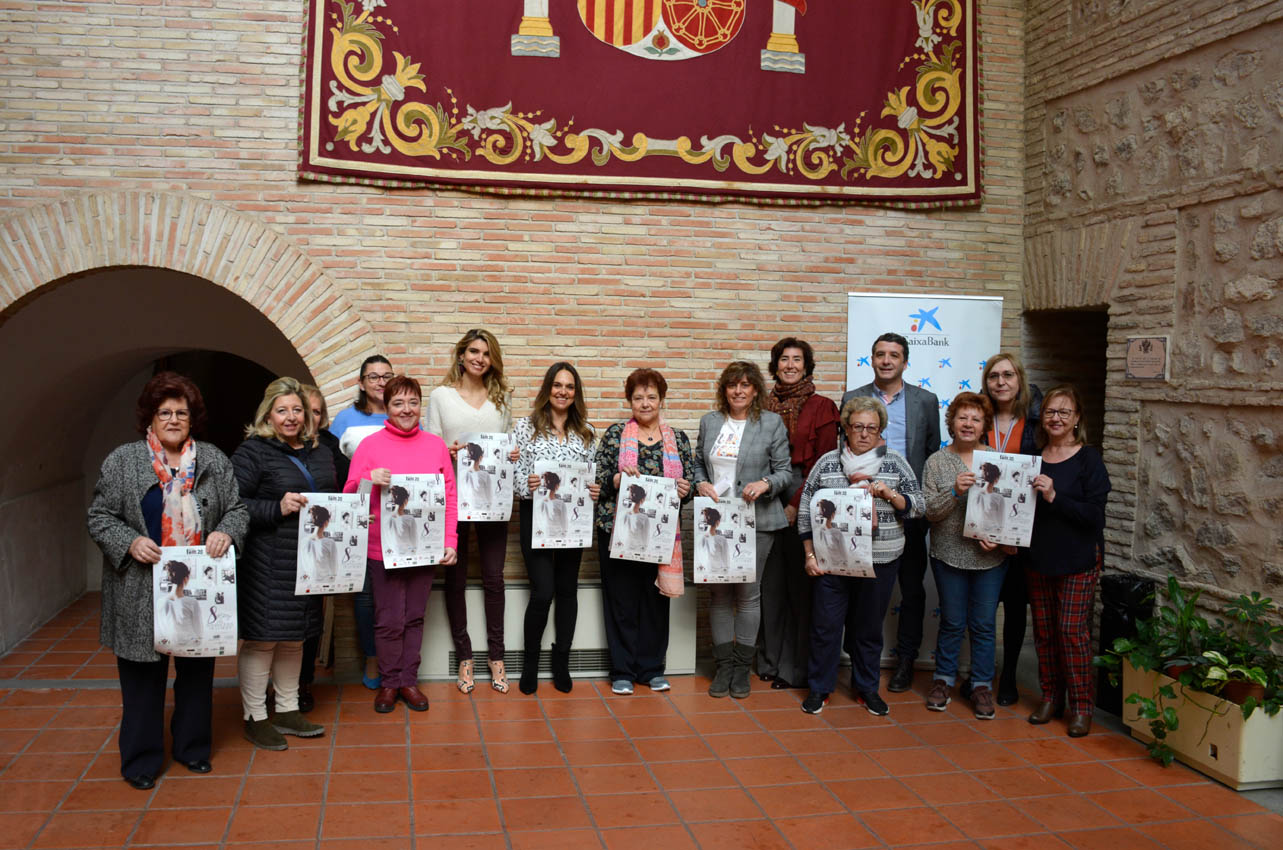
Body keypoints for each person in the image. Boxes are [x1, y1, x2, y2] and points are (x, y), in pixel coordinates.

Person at [87, 372, 247, 789]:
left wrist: (225, 531)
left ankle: (192, 749)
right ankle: (140, 760)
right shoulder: (123, 460)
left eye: (182, 412)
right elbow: (99, 516)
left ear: (192, 419)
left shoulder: (212, 459)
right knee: (143, 678)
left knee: (196, 674)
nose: (174, 419)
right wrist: (130, 541)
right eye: (165, 413)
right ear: (150, 419)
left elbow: (238, 510)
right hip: (140, 588)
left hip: (198, 586)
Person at [798, 396, 924, 716]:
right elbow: (804, 511)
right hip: (831, 561)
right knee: (826, 626)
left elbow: (919, 504)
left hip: (879, 559)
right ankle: (820, 688)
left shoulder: (894, 462)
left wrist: (890, 494)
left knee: (868, 629)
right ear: (846, 428)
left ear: (880, 430)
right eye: (858, 427)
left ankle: (867, 688)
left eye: (872, 427)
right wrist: (810, 554)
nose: (865, 433)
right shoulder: (828, 463)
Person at [231, 377, 334, 750]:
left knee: (295, 638)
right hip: (268, 560)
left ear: (306, 415)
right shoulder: (252, 453)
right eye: (282, 410)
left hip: (310, 560)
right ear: (268, 415)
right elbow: (233, 504)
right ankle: (254, 717)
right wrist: (276, 507)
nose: (290, 417)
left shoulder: (319, 451)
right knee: (263, 639)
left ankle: (288, 709)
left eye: (297, 410)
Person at [346, 375, 458, 713]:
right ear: (386, 407)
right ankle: (389, 682)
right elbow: (349, 498)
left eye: (412, 402)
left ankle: (409, 681)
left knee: (414, 617)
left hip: (424, 547)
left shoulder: (435, 445)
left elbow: (449, 496)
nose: (406, 409)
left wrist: (450, 540)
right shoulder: (370, 446)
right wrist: (368, 481)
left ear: (419, 405)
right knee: (388, 619)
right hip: (383, 549)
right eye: (398, 403)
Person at [841, 332, 939, 693]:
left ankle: (906, 661)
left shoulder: (925, 401)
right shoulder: (853, 398)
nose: (886, 360)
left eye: (894, 355)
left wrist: (913, 502)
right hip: (861, 509)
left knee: (911, 589)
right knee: (857, 587)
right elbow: (844, 453)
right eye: (880, 354)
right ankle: (857, 658)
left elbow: (930, 456)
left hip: (906, 511)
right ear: (871, 359)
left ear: (905, 361)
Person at [692, 361, 792, 699]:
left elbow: (784, 472)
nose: (738, 391)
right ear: (724, 389)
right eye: (733, 385)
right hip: (716, 521)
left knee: (748, 596)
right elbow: (696, 464)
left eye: (746, 385)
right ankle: (723, 668)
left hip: (757, 520)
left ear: (755, 390)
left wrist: (764, 483)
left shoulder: (771, 423)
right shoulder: (710, 422)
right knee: (719, 595)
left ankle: (741, 669)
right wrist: (701, 482)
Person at [595, 368, 693, 696]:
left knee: (654, 600)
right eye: (638, 397)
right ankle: (622, 670)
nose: (645, 403)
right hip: (617, 530)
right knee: (621, 601)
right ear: (630, 401)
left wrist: (684, 488)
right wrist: (616, 479)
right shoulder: (615, 434)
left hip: (660, 533)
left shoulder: (677, 438)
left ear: (662, 400)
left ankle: (651, 668)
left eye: (651, 396)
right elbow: (599, 473)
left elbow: (689, 481)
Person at [425, 329, 513, 694]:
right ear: (461, 355)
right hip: (452, 501)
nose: (479, 358)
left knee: (494, 578)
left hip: (493, 500)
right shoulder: (440, 397)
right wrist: (447, 450)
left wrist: (512, 455)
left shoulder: (503, 398)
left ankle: (497, 656)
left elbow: (507, 444)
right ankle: (465, 655)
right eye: (473, 351)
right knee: (455, 579)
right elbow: (429, 450)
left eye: (487, 353)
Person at [921, 392, 1013, 719]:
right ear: (952, 422)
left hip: (989, 558)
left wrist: (1001, 540)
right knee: (953, 621)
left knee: (984, 624)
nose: (968, 424)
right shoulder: (936, 462)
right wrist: (954, 492)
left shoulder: (1000, 461)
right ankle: (944, 679)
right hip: (948, 555)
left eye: (975, 419)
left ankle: (982, 684)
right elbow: (929, 513)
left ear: (984, 424)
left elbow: (1009, 512)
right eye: (962, 418)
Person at [509, 362, 599, 694]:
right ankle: (530, 664)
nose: (563, 391)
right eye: (558, 385)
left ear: (576, 393)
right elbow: (513, 479)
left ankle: (561, 660)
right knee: (542, 592)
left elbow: (592, 480)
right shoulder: (525, 427)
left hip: (573, 521)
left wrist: (595, 489)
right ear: (548, 389)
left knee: (567, 592)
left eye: (570, 387)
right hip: (536, 518)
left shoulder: (587, 431)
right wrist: (528, 482)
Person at [1026, 385, 1111, 737]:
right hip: (1038, 557)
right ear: (1042, 418)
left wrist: (1054, 496)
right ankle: (1050, 696)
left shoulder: (1088, 459)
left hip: (1078, 559)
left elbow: (1094, 516)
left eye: (1064, 412)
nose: (1056, 418)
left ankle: (1081, 706)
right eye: (1050, 412)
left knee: (1072, 633)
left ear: (1077, 418)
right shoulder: (1031, 457)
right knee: (1044, 633)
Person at [759, 337, 838, 690]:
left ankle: (795, 669)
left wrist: (796, 505)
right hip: (763, 496)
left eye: (797, 360)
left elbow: (824, 465)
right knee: (769, 587)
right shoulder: (761, 405)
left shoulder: (823, 407)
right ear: (775, 365)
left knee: (799, 589)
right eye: (784, 360)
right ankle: (769, 661)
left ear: (807, 366)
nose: (790, 365)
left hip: (804, 498)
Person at [325, 359, 395, 692]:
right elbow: (335, 470)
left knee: (395, 593)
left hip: (397, 520)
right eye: (373, 376)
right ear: (361, 381)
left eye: (386, 376)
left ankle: (396, 658)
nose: (380, 382)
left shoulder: (404, 416)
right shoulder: (345, 420)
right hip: (360, 518)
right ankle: (371, 656)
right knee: (366, 597)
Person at [981, 351, 1042, 705]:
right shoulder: (979, 419)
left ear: (1019, 380)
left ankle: (1008, 678)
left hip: (1022, 529)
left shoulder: (1034, 423)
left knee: (1016, 607)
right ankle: (980, 676)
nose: (1001, 382)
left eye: (1007, 375)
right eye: (993, 376)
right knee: (982, 607)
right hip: (983, 527)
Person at [157, 560, 203, 647]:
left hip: (170, 644)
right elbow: (199, 629)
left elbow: (162, 628)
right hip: (191, 644)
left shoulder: (160, 602)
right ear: (186, 578)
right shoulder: (192, 602)